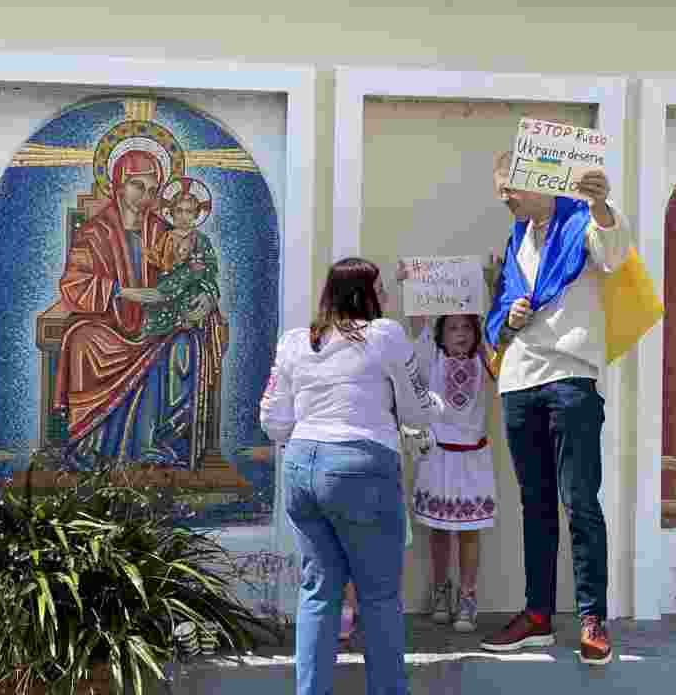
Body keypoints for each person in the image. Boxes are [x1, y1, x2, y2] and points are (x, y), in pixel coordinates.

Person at [259, 257, 445, 695]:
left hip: (302, 465)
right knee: (379, 597)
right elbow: (417, 408)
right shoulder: (384, 335)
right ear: (363, 294)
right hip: (362, 465)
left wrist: (310, 438)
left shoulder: (295, 341)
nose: (387, 297)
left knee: (319, 592)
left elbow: (271, 418)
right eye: (380, 289)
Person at [480, 151, 631, 665]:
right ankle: (538, 615)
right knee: (535, 502)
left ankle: (592, 617)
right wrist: (510, 314)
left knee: (580, 501)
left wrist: (603, 203)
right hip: (520, 380)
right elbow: (501, 307)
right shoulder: (516, 237)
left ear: (535, 183)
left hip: (570, 377)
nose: (503, 198)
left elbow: (613, 252)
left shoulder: (580, 219)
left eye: (509, 189)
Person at [54, 149, 220, 469]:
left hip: (158, 323)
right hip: (110, 321)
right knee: (83, 341)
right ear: (118, 184)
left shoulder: (166, 231)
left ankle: (159, 446)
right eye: (137, 186)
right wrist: (123, 292)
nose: (144, 196)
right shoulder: (93, 232)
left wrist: (208, 298)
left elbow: (198, 272)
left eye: (151, 189)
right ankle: (92, 447)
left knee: (182, 346)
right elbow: (74, 284)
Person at [396, 262, 496, 633]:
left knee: (470, 530)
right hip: (438, 457)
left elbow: (500, 334)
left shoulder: (485, 360)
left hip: (472, 458)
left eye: (466, 327)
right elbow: (418, 323)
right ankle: (441, 590)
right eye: (452, 327)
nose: (460, 333)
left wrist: (492, 285)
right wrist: (412, 283)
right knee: (439, 529)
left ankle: (468, 597)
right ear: (442, 332)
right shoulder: (430, 357)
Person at [141, 180, 220, 338]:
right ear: (171, 213)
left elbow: (211, 272)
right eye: (179, 211)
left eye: (189, 212)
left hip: (193, 299)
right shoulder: (165, 238)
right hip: (166, 299)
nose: (184, 216)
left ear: (196, 214)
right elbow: (158, 263)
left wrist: (207, 293)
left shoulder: (201, 240)